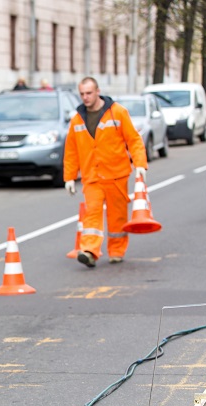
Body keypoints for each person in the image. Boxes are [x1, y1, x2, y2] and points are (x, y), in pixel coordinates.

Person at [63, 77, 147, 268]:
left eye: (89, 93)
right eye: (82, 94)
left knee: (117, 216)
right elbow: (71, 151)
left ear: (97, 91)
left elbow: (133, 139)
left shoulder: (117, 113)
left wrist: (140, 163)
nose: (85, 97)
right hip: (92, 176)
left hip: (116, 174)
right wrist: (69, 177)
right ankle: (89, 251)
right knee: (91, 214)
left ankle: (116, 250)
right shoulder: (77, 119)